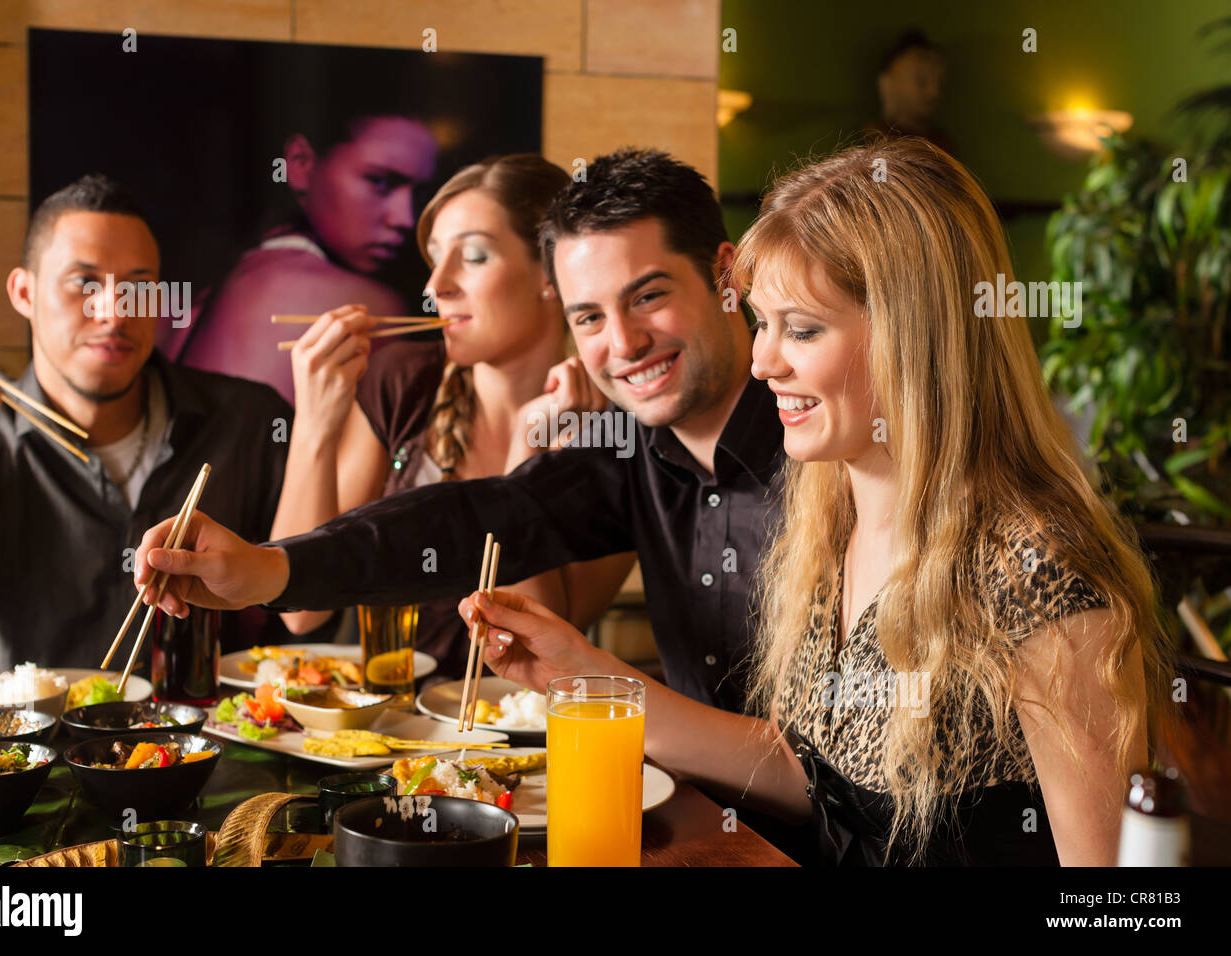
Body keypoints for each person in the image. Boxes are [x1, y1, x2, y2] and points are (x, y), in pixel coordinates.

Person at [450, 138, 1175, 865]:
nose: (764, 361)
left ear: (912, 338)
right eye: (762, 323)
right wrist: (585, 677)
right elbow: (811, 777)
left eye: (801, 330)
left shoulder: (1037, 573)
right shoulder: (828, 519)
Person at [132, 147, 784, 718]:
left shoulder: (628, 431)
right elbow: (460, 523)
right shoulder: (629, 437)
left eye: (647, 296)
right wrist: (270, 564)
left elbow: (538, 614)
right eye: (593, 315)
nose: (436, 288)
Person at [271, 155, 635, 680]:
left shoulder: (616, 430)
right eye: (436, 258)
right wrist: (314, 425)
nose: (436, 285)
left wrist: (527, 450)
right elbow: (303, 612)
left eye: (475, 256)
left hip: (519, 747)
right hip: (390, 734)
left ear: (552, 274)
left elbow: (541, 647)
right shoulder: (402, 382)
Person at [0, 174, 301, 669]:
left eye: (139, 287)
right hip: (33, 744)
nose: (115, 311)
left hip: (211, 742)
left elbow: (313, 598)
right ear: (24, 293)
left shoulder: (250, 420)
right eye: (84, 283)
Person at [165, 114, 439, 405]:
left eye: (419, 193)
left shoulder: (220, 285)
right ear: (300, 165)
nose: (406, 218)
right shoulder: (365, 310)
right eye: (380, 182)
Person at [864, 29, 954, 155]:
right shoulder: (877, 141)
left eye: (940, 83)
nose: (934, 92)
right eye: (921, 82)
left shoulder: (941, 143)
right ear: (887, 83)